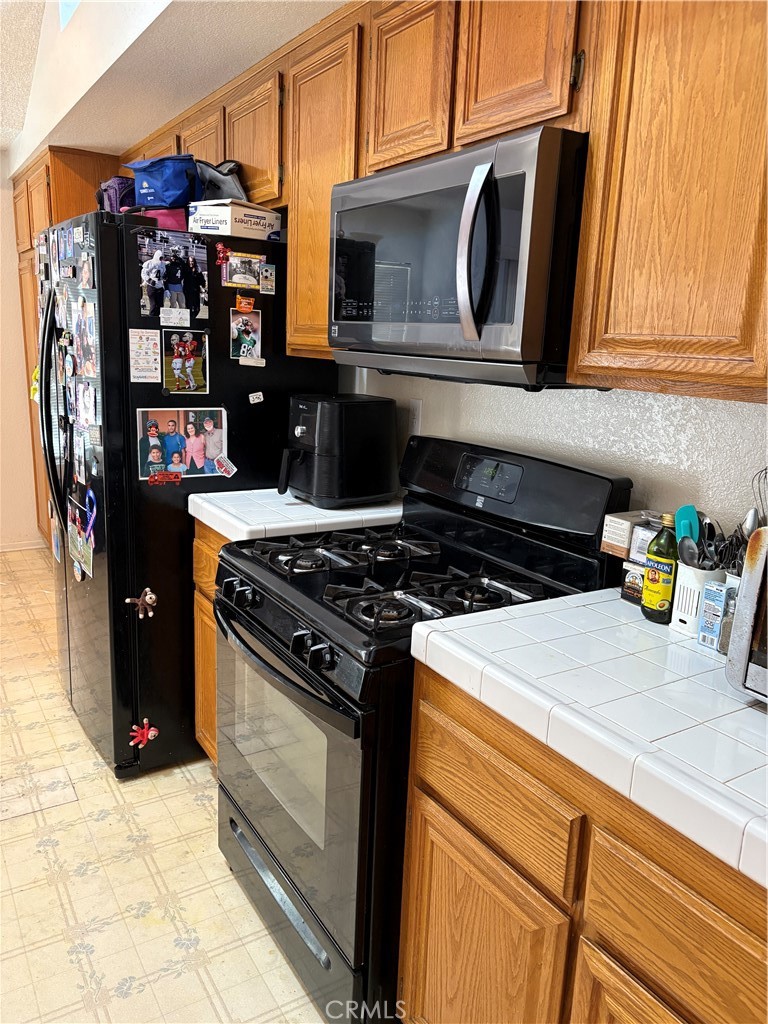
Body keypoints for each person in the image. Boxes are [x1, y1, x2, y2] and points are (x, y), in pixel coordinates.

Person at [141, 250, 166, 316]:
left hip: (160, 286)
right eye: (160, 257)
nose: (161, 259)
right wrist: (149, 280)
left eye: (162, 258)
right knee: (153, 304)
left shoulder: (163, 264)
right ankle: (151, 319)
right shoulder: (150, 263)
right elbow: (144, 273)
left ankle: (157, 321)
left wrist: (164, 277)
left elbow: (163, 274)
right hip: (152, 286)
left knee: (160, 305)